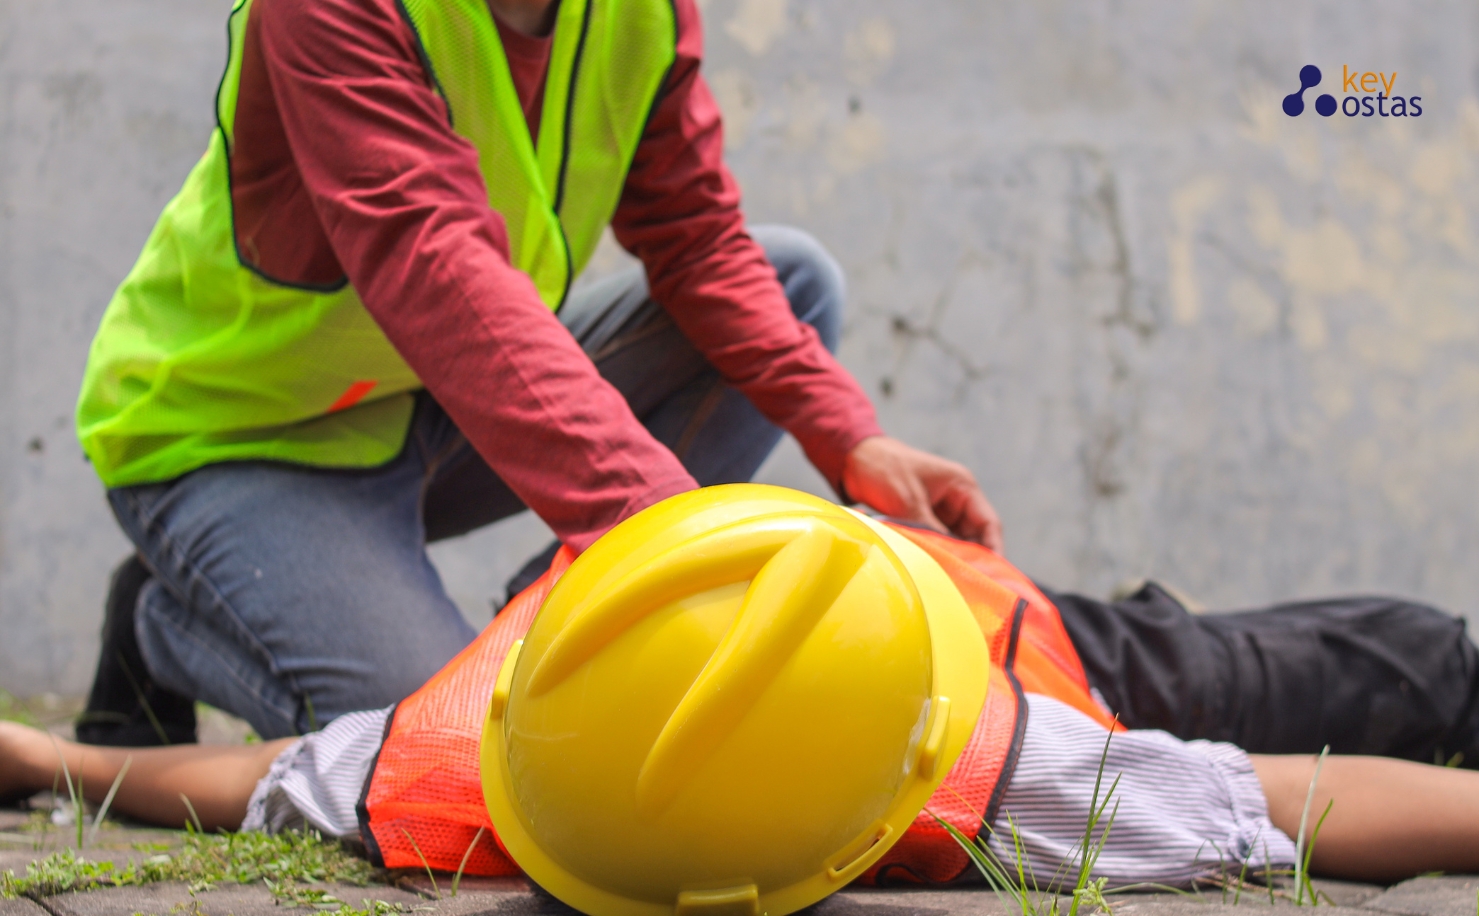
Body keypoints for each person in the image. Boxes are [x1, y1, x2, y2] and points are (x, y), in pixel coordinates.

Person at [71, 0, 1001, 746]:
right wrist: (669, 540)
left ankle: (560, 642)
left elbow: (698, 241)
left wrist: (852, 433)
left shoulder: (640, 13)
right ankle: (163, 623)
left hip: (437, 399)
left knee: (792, 278)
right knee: (455, 745)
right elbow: (430, 260)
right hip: (235, 435)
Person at [5, 485, 1479, 903]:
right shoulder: (974, 785)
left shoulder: (459, 771)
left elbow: (245, 777)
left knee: (1412, 662)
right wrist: (30, 756)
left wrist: (33, 755)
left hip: (980, 617)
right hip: (802, 593)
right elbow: (1296, 803)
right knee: (1417, 666)